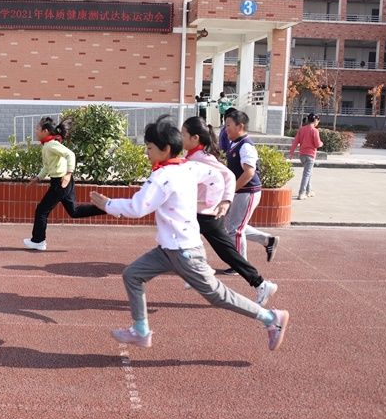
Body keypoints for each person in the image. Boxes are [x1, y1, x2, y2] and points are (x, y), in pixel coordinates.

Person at [89, 115, 289, 350]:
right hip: (167, 249)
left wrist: (108, 205)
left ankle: (271, 319)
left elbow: (138, 207)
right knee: (132, 274)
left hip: (184, 252)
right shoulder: (189, 166)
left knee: (217, 295)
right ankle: (141, 330)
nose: (146, 153)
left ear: (165, 149)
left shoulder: (163, 176)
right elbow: (218, 175)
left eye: (149, 148)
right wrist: (213, 202)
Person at [181, 116, 278, 305]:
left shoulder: (203, 158)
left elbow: (228, 176)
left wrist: (226, 200)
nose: (180, 137)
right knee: (187, 243)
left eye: (183, 134)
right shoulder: (193, 156)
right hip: (198, 213)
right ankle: (198, 271)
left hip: (207, 214)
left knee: (225, 252)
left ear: (195, 138)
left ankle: (261, 284)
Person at [23, 116, 105, 251]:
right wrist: (38, 178)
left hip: (60, 182)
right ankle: (107, 208)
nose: (35, 131)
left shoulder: (52, 145)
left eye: (37, 129)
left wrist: (68, 174)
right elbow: (48, 166)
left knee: (42, 210)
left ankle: (38, 241)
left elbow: (70, 155)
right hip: (63, 182)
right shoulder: (48, 145)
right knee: (74, 211)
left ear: (45, 131)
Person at [223, 110, 280, 266]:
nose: (225, 128)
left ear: (240, 126)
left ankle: (239, 265)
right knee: (231, 226)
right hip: (240, 191)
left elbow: (249, 172)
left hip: (247, 192)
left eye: (228, 125)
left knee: (235, 229)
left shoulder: (246, 146)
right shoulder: (234, 143)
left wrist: (231, 189)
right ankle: (268, 240)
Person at [289, 113, 323, 200]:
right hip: (310, 155)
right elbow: (317, 144)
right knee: (307, 174)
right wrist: (321, 143)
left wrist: (291, 153)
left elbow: (295, 141)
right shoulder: (315, 131)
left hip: (302, 155)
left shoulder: (302, 129)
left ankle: (309, 191)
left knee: (308, 173)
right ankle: (302, 192)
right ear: (315, 121)